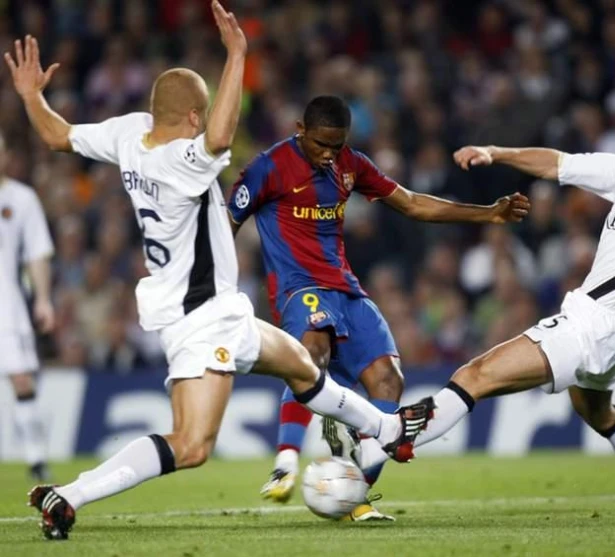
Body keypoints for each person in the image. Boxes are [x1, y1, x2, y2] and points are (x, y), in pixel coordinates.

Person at [6, 2, 431, 541]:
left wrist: (30, 96)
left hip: (214, 306)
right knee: (191, 445)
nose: (203, 124)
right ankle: (70, 495)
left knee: (301, 365)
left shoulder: (128, 134)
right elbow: (221, 138)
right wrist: (236, 57)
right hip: (201, 318)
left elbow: (57, 135)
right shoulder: (184, 159)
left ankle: (387, 428)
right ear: (191, 119)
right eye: (200, 116)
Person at [351, 100, 615, 516]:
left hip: (595, 324)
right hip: (614, 325)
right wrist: (498, 153)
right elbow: (558, 164)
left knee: (475, 376)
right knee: (598, 413)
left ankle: (383, 442)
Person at [227, 95, 530, 521]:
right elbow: (227, 223)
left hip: (345, 287)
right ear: (300, 130)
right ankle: (285, 464)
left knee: (389, 380)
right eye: (320, 145)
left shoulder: (351, 164)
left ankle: (353, 493)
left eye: (337, 145)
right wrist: (216, 284)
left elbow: (412, 202)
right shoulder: (268, 167)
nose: (328, 154)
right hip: (299, 287)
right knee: (312, 355)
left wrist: (488, 215)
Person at [0, 131, 55, 482]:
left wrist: (44, 299)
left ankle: (36, 458)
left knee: (21, 378)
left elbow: (37, 252)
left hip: (7, 301)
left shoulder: (22, 199)